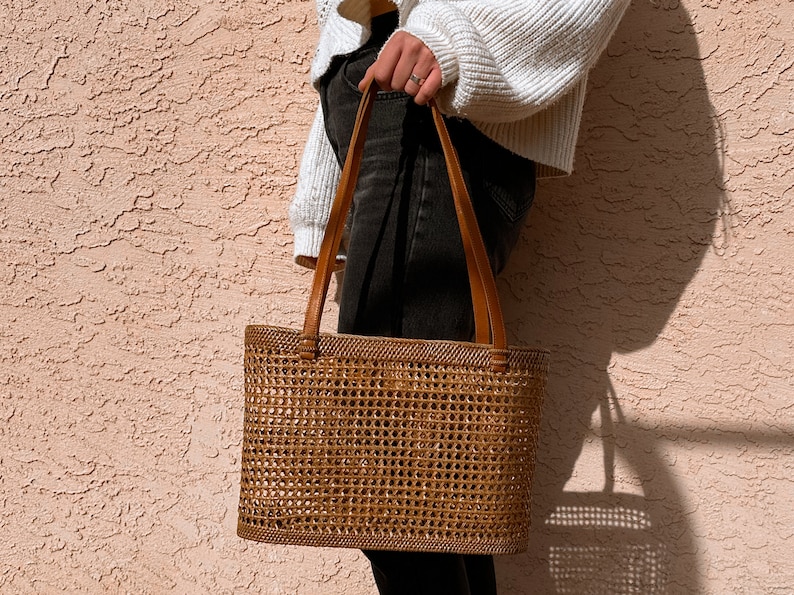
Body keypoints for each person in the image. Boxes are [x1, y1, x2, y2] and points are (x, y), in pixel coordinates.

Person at [288, 0, 630, 592]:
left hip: (431, 105)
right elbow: (353, 33)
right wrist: (323, 203)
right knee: (432, 491)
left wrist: (452, 37)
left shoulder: (438, 47)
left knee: (387, 482)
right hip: (384, 95)